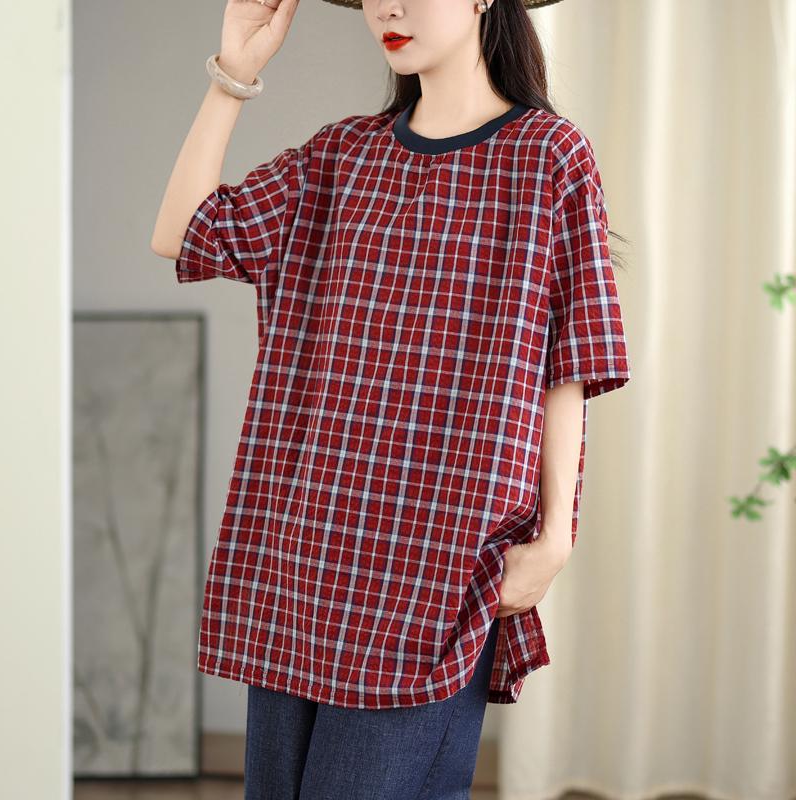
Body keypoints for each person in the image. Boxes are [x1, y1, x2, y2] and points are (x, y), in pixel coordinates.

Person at [150, 0, 632, 797]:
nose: (388, 8)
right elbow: (184, 234)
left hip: (438, 568)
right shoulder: (341, 156)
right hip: (303, 560)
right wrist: (234, 73)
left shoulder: (549, 156)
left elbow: (571, 361)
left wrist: (556, 539)